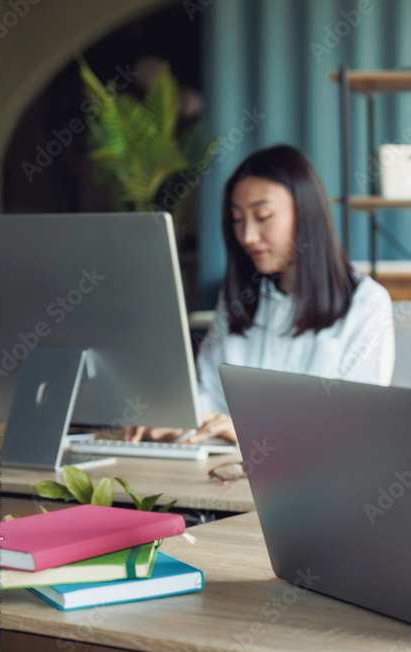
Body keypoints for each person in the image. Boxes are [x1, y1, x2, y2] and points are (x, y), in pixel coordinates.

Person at [129, 144, 395, 443]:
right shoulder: (238, 297)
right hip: (224, 474)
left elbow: (353, 430)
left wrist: (246, 434)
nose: (247, 236)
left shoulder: (366, 304)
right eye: (238, 219)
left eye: (263, 216)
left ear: (307, 214)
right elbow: (208, 395)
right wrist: (179, 421)